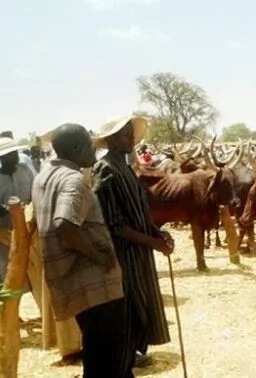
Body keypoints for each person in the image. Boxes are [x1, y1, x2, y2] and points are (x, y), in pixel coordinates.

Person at [32, 123, 126, 377]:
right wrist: (99, 256)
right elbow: (64, 225)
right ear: (75, 149)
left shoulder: (43, 177)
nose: (93, 150)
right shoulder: (73, 180)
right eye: (88, 144)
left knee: (99, 351)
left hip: (69, 279)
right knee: (106, 356)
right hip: (94, 283)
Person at [92, 116, 173, 369]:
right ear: (112, 139)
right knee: (128, 309)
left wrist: (157, 233)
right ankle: (123, 365)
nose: (132, 138)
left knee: (142, 306)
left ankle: (131, 359)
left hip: (140, 253)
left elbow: (138, 210)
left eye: (131, 133)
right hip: (123, 255)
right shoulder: (105, 169)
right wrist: (153, 242)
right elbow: (115, 225)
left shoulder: (126, 167)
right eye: (125, 134)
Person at [0, 136, 35, 283]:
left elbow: (35, 190)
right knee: (6, 262)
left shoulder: (25, 169)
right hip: (4, 227)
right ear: (1, 158)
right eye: (8, 155)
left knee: (32, 258)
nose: (13, 157)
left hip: (28, 221)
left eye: (14, 153)